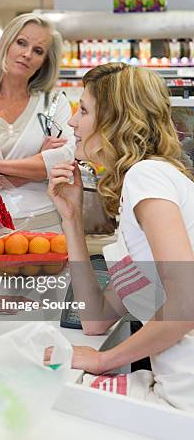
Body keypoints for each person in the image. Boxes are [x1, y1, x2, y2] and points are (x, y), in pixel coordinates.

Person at [46, 62, 194, 411]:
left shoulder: (148, 177)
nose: (72, 123)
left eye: (83, 110)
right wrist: (71, 218)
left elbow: (186, 303)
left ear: (114, 122)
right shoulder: (140, 191)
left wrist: (103, 361)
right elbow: (95, 319)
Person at [0, 13, 75, 232]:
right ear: (7, 44)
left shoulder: (54, 104)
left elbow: (63, 160)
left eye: (38, 51)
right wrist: (37, 164)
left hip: (43, 227)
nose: (27, 54)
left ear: (45, 61)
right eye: (21, 43)